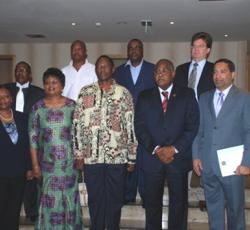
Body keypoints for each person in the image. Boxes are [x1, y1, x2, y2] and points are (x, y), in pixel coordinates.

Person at [73, 55, 137, 230]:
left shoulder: (123, 93)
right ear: (96, 70)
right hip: (91, 158)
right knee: (95, 198)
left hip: (117, 157)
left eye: (106, 66)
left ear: (112, 69)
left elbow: (130, 125)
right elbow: (77, 125)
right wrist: (78, 154)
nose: (102, 69)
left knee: (115, 199)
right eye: (99, 66)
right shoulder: (85, 92)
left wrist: (131, 157)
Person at [135, 59, 199, 230]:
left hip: (177, 159)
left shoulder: (187, 94)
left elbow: (192, 125)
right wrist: (156, 149)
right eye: (157, 71)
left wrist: (173, 149)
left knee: (179, 205)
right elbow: (139, 127)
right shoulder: (144, 96)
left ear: (173, 73)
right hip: (152, 159)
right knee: (152, 205)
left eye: (164, 70)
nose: (160, 74)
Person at [192, 58, 250, 230]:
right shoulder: (204, 98)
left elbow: (249, 131)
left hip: (234, 167)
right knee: (214, 212)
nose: (218, 76)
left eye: (223, 71)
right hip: (208, 166)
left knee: (235, 212)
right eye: (215, 72)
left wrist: (247, 162)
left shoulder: (244, 98)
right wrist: (196, 156)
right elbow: (199, 130)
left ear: (233, 74)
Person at [29, 68, 83, 229]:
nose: (50, 86)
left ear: (62, 85)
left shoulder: (72, 106)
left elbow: (79, 135)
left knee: (69, 199)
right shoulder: (37, 109)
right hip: (47, 166)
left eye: (54, 82)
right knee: (49, 200)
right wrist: (35, 166)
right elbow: (32, 140)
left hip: (69, 165)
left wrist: (81, 157)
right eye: (47, 83)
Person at [174, 32, 215, 209]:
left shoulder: (214, 70)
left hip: (205, 123)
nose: (195, 50)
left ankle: (208, 197)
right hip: (184, 123)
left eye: (200, 46)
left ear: (208, 50)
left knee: (205, 160)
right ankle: (181, 198)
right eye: (193, 46)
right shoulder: (182, 69)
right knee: (183, 160)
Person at [113, 38, 155, 205]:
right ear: (127, 51)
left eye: (138, 47)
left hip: (148, 124)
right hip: (125, 126)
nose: (134, 50)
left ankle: (146, 196)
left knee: (145, 161)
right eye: (131, 48)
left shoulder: (153, 69)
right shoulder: (118, 72)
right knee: (127, 161)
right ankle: (128, 196)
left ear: (142, 50)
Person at [5, 61, 44, 222]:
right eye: (17, 70)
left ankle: (31, 212)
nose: (20, 72)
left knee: (30, 177)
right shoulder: (5, 89)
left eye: (24, 70)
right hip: (8, 139)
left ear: (30, 75)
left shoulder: (39, 93)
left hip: (30, 139)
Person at [0, 86, 32, 230]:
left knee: (14, 209)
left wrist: (30, 167)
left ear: (11, 99)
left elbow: (30, 145)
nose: (3, 100)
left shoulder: (23, 117)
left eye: (6, 96)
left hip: (19, 173)